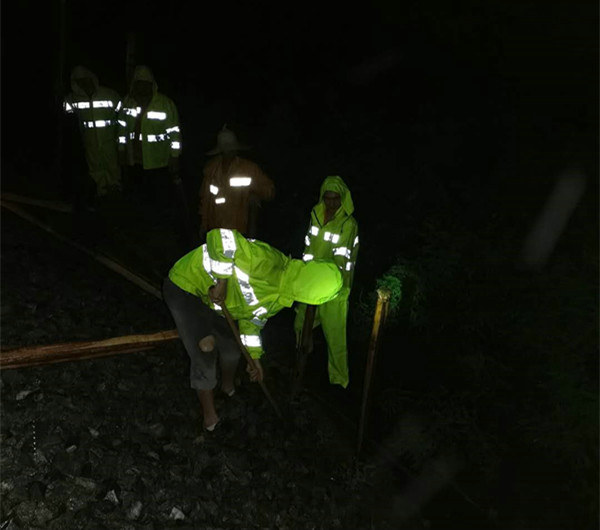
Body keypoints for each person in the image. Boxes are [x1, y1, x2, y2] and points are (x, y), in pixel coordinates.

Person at [162, 228, 342, 431]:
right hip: (186, 286)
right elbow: (220, 236)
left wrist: (254, 357)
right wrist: (222, 282)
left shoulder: (281, 298)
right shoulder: (266, 261)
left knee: (232, 349)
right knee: (206, 348)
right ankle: (209, 416)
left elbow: (252, 321)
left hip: (215, 304)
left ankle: (227, 387)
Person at [293, 176, 359, 388]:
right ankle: (300, 366)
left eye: (335, 198)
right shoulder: (315, 214)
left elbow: (341, 257)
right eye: (327, 198)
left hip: (336, 287)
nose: (331, 203)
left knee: (335, 335)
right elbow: (309, 246)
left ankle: (339, 381)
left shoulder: (348, 224)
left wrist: (326, 280)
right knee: (300, 323)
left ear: (342, 198)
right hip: (311, 282)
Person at [117, 65, 192, 245]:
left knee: (159, 198)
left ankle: (160, 231)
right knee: (138, 197)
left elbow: (174, 133)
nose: (142, 87)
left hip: (158, 162)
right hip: (135, 162)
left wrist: (174, 156)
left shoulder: (165, 104)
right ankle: (140, 230)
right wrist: (121, 150)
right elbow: (122, 128)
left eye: (146, 83)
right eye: (138, 83)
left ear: (152, 85)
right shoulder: (127, 103)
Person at [199, 125, 274, 240]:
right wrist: (204, 225)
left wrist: (256, 194)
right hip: (216, 231)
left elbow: (270, 191)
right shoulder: (211, 170)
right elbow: (205, 200)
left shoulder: (249, 169)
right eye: (226, 149)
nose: (229, 152)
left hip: (240, 231)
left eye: (231, 149)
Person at [63, 65, 122, 208]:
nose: (84, 83)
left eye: (86, 79)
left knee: (112, 165)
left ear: (92, 78)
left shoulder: (110, 94)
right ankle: (101, 194)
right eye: (79, 81)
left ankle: (116, 192)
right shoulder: (72, 99)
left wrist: (120, 138)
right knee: (95, 167)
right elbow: (68, 116)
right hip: (89, 141)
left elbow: (122, 115)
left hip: (109, 139)